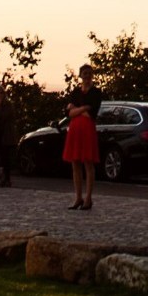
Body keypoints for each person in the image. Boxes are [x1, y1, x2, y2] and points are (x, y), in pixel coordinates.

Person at [62, 63, 103, 211]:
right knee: (75, 163)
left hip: (87, 129)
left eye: (89, 73)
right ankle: (78, 197)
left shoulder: (96, 92)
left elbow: (91, 113)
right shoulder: (75, 92)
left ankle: (88, 198)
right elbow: (69, 112)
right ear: (80, 76)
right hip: (75, 129)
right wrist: (83, 108)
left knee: (88, 163)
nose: (87, 76)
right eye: (84, 73)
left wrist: (77, 110)